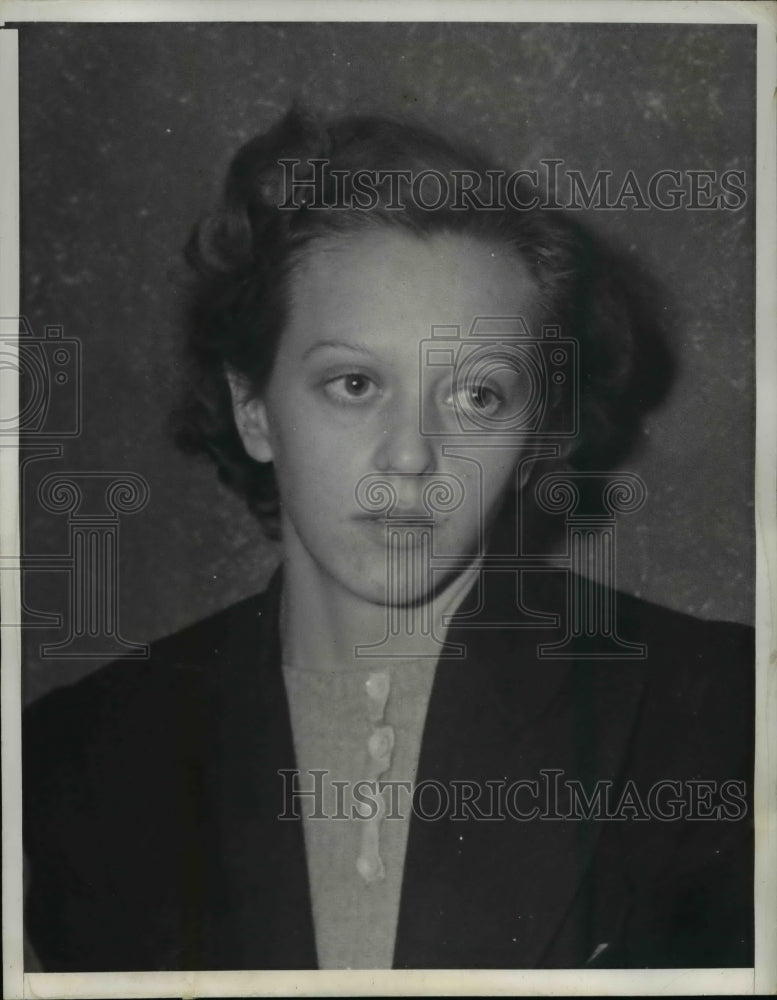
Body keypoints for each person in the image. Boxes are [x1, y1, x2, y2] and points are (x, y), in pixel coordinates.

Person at [23, 108, 754, 971]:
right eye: (355, 382)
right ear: (254, 408)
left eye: (477, 396)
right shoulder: (77, 759)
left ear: (535, 439)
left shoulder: (725, 713)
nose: (410, 457)